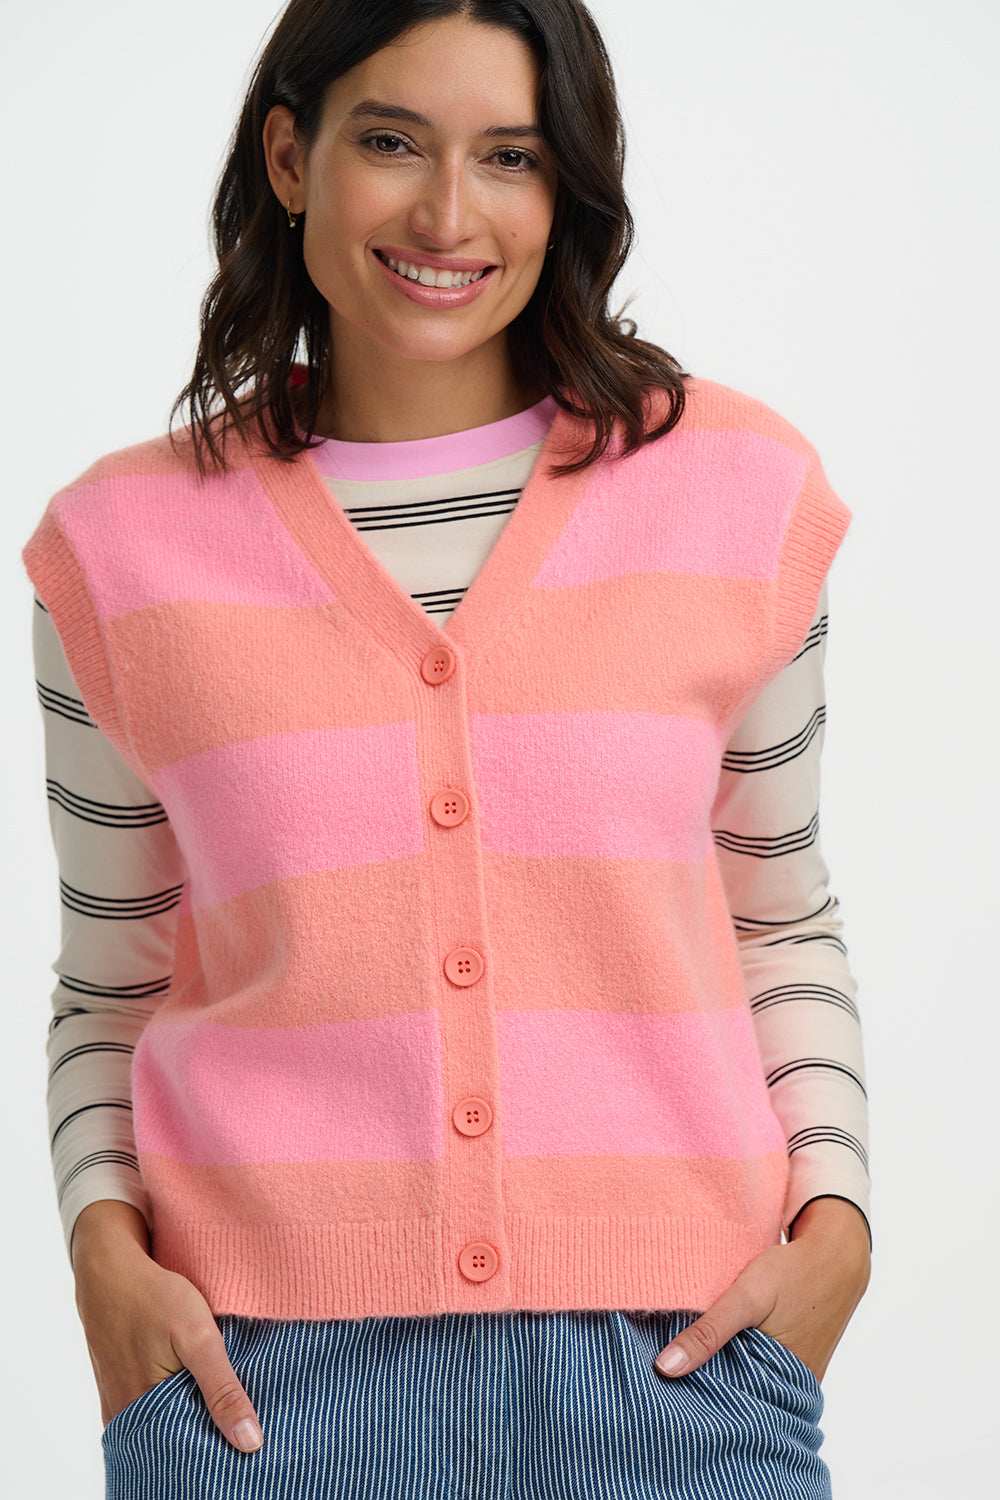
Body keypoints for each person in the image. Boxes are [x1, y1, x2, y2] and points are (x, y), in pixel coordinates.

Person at [24, 1, 871, 1495]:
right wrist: (103, 1255)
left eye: (512, 157)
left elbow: (779, 917)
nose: (446, 214)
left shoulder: (738, 496)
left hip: (680, 1373)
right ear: (290, 157)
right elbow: (111, 977)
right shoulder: (120, 552)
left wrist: (839, 1230)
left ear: (568, 187)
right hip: (258, 1393)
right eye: (391, 142)